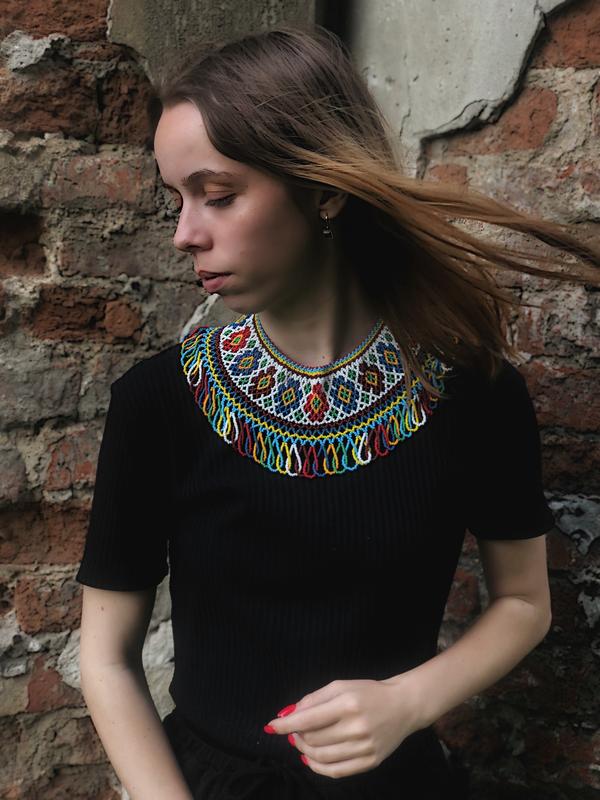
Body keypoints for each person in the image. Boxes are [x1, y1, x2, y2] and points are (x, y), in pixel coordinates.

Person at [75, 22, 600, 800]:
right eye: (177, 198)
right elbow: (105, 657)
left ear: (324, 190)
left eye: (218, 195)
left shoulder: (474, 393)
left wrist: (408, 701)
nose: (185, 234)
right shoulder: (159, 403)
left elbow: (525, 602)